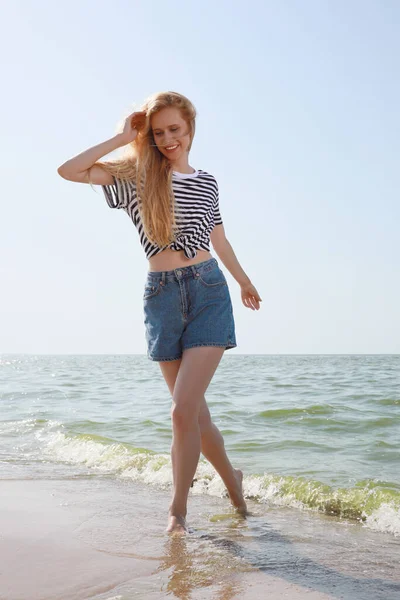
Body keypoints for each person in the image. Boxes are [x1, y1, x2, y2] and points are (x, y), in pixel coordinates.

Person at [57, 91, 262, 535]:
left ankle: (178, 511)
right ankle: (234, 482)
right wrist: (120, 138)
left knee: (181, 410)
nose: (168, 138)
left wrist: (244, 280)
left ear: (190, 129)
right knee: (194, 414)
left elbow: (220, 240)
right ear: (149, 136)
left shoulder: (207, 182)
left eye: (175, 129)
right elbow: (68, 170)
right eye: (159, 132)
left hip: (209, 290)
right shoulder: (135, 176)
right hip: (162, 297)